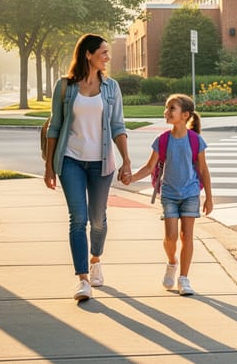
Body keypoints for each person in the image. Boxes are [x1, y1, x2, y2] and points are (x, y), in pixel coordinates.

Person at [44, 33, 132, 302]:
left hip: (102, 162)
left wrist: (126, 160)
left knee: (98, 220)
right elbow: (54, 127)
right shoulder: (65, 87)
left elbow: (118, 125)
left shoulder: (111, 87)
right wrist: (49, 167)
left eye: (108, 52)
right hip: (70, 160)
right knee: (77, 219)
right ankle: (83, 280)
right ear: (88, 54)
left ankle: (95, 259)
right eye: (103, 52)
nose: (108, 56)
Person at [122, 94, 213, 295]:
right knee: (171, 237)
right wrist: (132, 178)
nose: (167, 111)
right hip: (169, 193)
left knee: (187, 235)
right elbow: (149, 167)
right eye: (167, 107)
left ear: (185, 115)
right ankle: (172, 262)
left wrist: (209, 197)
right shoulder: (162, 140)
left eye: (172, 108)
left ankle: (184, 278)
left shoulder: (195, 140)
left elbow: (204, 170)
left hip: (190, 193)